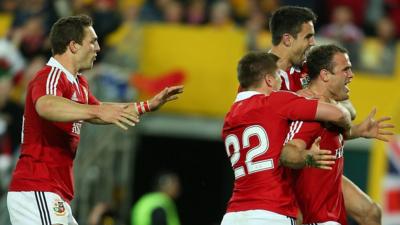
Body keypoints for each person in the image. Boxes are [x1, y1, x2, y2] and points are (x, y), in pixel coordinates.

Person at [6, 14, 183, 225]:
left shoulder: (78, 84)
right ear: (73, 45)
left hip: (52, 191)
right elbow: (46, 105)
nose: (98, 48)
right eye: (93, 41)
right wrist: (96, 112)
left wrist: (146, 105)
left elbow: (101, 110)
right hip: (36, 188)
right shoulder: (50, 75)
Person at [268, 6, 380, 225]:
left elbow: (344, 110)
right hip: (279, 163)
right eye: (308, 36)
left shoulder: (306, 70)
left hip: (308, 156)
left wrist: (353, 128)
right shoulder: (262, 74)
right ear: (288, 39)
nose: (313, 42)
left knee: (370, 212)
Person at [220, 51, 352, 225]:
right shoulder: (276, 101)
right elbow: (338, 115)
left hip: (233, 214)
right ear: (269, 80)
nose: (281, 81)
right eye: (278, 76)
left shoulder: (230, 118)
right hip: (270, 212)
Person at [284, 44, 394, 225]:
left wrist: (358, 130)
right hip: (315, 208)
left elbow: (347, 115)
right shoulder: (310, 111)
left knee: (371, 212)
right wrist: (307, 157)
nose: (351, 75)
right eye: (346, 70)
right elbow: (288, 151)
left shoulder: (329, 105)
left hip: (328, 199)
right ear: (325, 75)